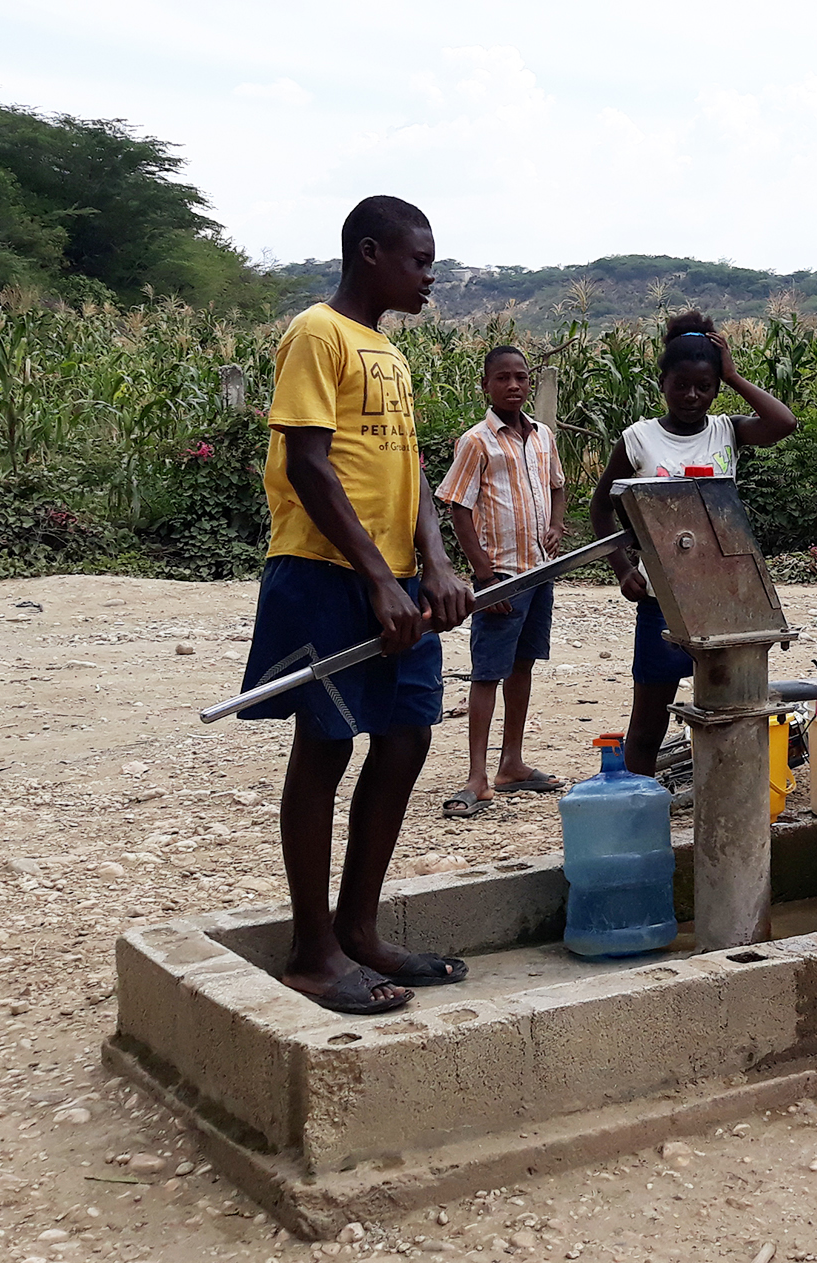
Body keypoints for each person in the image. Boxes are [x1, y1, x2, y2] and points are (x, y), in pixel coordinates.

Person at [236, 195, 476, 1016]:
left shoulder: (391, 356)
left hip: (400, 578)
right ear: (370, 253)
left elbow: (407, 474)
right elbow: (308, 464)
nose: (429, 275)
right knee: (326, 746)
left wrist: (434, 564)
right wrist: (375, 575)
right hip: (325, 573)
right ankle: (311, 951)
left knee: (406, 737)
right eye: (419, 260)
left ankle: (359, 929)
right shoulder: (318, 333)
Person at [591, 311, 799, 777]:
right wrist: (624, 569)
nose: (692, 396)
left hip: (726, 596)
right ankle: (640, 808)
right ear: (662, 382)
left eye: (704, 386)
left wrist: (734, 373)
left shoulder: (727, 431)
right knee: (648, 722)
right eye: (681, 385)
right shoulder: (639, 440)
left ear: (716, 386)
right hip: (663, 598)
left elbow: (784, 422)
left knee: (729, 708)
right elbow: (600, 509)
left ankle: (725, 798)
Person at [435, 345, 569, 818]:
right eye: (503, 378)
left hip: (540, 569)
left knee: (523, 664)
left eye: (521, 377)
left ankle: (511, 763)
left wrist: (556, 525)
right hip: (503, 574)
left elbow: (558, 485)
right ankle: (477, 774)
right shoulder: (477, 441)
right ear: (486, 385)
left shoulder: (543, 435)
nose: (514, 385)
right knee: (487, 671)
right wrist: (483, 575)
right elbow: (458, 505)